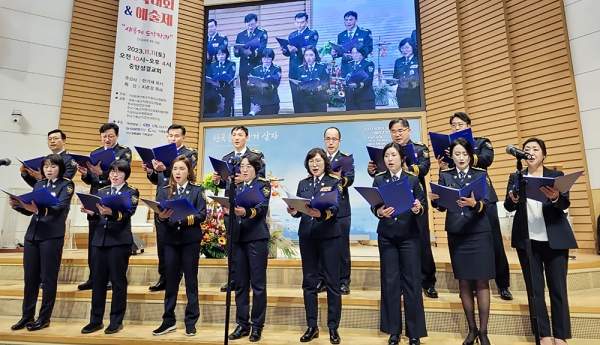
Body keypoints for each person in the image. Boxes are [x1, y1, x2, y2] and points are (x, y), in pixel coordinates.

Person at [504, 137, 577, 345]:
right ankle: (544, 334)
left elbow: (563, 204)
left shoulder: (556, 176)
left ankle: (560, 335)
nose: (531, 152)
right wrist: (514, 199)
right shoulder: (516, 176)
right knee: (535, 290)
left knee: (558, 288)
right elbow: (509, 206)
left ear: (544, 154)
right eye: (527, 149)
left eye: (535, 149)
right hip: (527, 241)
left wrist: (555, 197)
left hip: (554, 238)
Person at [437, 112, 512, 300]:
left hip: (482, 197)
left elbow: (487, 160)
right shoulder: (449, 147)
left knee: (494, 243)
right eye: (453, 125)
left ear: (469, 125)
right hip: (459, 200)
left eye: (460, 124)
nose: (456, 128)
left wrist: (469, 153)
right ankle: (469, 282)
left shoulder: (481, 142)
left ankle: (503, 285)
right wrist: (443, 165)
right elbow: (449, 172)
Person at [428, 138, 494, 345]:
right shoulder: (446, 175)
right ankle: (471, 330)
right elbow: (441, 206)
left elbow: (489, 202)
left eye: (464, 154)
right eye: (457, 154)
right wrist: (435, 200)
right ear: (452, 156)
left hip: (479, 232)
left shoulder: (480, 174)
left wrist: (476, 204)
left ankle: (483, 332)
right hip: (457, 233)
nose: (461, 158)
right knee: (464, 282)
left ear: (470, 155)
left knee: (482, 282)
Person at [368, 118, 438, 298]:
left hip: (414, 201)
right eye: (393, 131)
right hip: (392, 204)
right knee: (394, 242)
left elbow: (424, 168)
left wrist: (407, 167)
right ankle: (398, 282)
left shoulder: (420, 148)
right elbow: (381, 176)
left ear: (408, 131)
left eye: (400, 130)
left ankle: (428, 281)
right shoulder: (389, 151)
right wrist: (372, 170)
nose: (397, 134)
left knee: (421, 242)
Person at [9, 154, 74, 332]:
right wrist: (18, 206)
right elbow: (31, 212)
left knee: (47, 279)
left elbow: (59, 207)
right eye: (46, 166)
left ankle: (44, 317)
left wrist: (36, 208)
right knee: (30, 278)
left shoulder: (66, 185)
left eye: (52, 166)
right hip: (32, 236)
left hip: (51, 236)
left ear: (59, 168)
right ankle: (27, 315)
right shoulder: (39, 184)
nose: (49, 169)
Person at [287, 148, 343, 344]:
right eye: (311, 161)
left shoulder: (334, 182)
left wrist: (322, 215)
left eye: (318, 161)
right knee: (309, 283)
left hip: (328, 236)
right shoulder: (303, 183)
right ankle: (312, 326)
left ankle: (333, 327)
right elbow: (301, 209)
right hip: (307, 237)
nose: (314, 164)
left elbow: (337, 209)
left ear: (324, 162)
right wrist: (293, 211)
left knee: (332, 284)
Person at [373, 143, 427, 345]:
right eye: (386, 155)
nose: (389, 159)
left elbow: (422, 205)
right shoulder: (379, 179)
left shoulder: (412, 179)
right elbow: (375, 206)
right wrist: (379, 212)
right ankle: (393, 330)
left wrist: (417, 208)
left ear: (402, 158)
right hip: (387, 236)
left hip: (408, 236)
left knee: (412, 283)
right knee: (390, 282)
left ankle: (414, 332)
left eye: (393, 155)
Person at [80, 160, 139, 335]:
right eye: (112, 171)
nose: (114, 175)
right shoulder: (102, 191)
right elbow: (97, 216)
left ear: (125, 175)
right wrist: (92, 213)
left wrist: (111, 213)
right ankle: (95, 320)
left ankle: (116, 320)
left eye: (119, 172)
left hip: (119, 242)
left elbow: (129, 213)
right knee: (98, 281)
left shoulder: (131, 191)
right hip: (99, 241)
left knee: (118, 282)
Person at [152, 156, 207, 337]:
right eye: (175, 168)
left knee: (191, 281)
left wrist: (182, 219)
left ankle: (191, 321)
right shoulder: (165, 189)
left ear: (188, 171)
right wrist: (162, 216)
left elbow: (201, 215)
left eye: (182, 169)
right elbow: (160, 214)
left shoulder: (197, 190)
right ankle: (168, 320)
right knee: (171, 282)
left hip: (190, 240)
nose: (177, 172)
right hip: (170, 240)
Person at [77, 123, 132, 291]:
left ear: (117, 136)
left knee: (112, 243)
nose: (107, 139)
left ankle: (110, 278)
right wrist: (86, 174)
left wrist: (102, 173)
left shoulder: (124, 152)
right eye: (104, 136)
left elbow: (121, 173)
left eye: (110, 136)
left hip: (113, 199)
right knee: (95, 241)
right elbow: (91, 181)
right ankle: (94, 277)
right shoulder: (95, 152)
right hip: (96, 198)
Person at [144, 124, 198, 292]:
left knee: (180, 240)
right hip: (163, 197)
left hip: (179, 200)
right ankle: (164, 276)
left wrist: (165, 168)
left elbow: (183, 172)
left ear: (183, 137)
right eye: (170, 135)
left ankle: (177, 275)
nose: (173, 138)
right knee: (162, 240)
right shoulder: (160, 154)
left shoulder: (190, 154)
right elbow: (158, 180)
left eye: (176, 135)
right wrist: (151, 171)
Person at [213, 125, 266, 292]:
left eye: (240, 135)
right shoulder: (227, 157)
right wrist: (218, 181)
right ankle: (234, 279)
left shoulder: (256, 156)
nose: (236, 138)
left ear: (247, 137)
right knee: (233, 246)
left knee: (249, 247)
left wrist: (242, 178)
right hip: (231, 207)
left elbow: (260, 178)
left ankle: (249, 279)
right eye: (234, 135)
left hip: (249, 205)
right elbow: (225, 183)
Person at [225, 155, 271, 342]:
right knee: (241, 283)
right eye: (241, 166)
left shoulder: (262, 185)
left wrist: (245, 212)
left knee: (258, 285)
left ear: (256, 168)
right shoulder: (236, 186)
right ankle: (242, 323)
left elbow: (262, 207)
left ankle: (257, 325)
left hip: (256, 238)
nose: (243, 170)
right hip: (238, 238)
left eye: (248, 166)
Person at [316, 127, 354, 295]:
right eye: (328, 139)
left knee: (342, 247)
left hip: (341, 209)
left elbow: (350, 179)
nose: (331, 142)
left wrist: (338, 178)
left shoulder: (345, 159)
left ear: (339, 141)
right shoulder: (318, 158)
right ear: (324, 140)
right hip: (322, 209)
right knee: (321, 246)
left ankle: (344, 280)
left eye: (334, 139)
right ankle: (322, 279)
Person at [280, 12, 319, 113]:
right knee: (295, 97)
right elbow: (290, 54)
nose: (299, 25)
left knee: (306, 98)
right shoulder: (292, 34)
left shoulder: (312, 33)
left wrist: (296, 50)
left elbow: (311, 49)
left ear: (306, 22)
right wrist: (285, 50)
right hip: (293, 69)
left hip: (305, 68)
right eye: (297, 22)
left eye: (302, 22)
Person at [234, 13, 268, 116]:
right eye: (248, 25)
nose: (250, 27)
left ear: (256, 23)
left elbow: (262, 49)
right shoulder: (240, 35)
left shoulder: (262, 33)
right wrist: (236, 52)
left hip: (256, 67)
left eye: (252, 24)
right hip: (244, 68)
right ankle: (245, 116)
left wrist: (252, 53)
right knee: (245, 94)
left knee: (257, 93)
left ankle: (258, 116)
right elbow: (237, 52)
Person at [331, 11, 373, 77]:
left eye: (351, 20)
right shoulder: (341, 35)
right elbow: (341, 51)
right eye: (346, 20)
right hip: (346, 66)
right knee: (345, 85)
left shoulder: (365, 33)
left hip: (360, 65)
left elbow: (369, 48)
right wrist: (335, 53)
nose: (348, 22)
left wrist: (355, 54)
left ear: (356, 20)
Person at [248, 48, 282, 115]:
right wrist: (250, 85)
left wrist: (268, 85)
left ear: (272, 58)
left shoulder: (276, 69)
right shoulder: (256, 69)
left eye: (269, 58)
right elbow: (253, 87)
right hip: (258, 102)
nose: (266, 60)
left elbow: (276, 84)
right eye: (264, 58)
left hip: (271, 102)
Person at [297, 46, 330, 113]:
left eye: (311, 55)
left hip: (320, 100)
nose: (308, 58)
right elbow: (299, 85)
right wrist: (301, 88)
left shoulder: (322, 67)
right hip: (306, 101)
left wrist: (318, 88)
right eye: (306, 55)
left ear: (315, 56)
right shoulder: (300, 68)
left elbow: (327, 83)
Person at [207, 45, 237, 117]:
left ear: (226, 55)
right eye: (218, 54)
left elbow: (230, 78)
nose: (220, 56)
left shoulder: (231, 64)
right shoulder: (212, 65)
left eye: (223, 54)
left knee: (225, 115)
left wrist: (220, 84)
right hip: (214, 92)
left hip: (226, 90)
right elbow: (208, 76)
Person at [344, 44, 375, 111]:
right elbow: (347, 76)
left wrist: (357, 85)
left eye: (357, 53)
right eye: (353, 53)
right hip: (351, 98)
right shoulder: (350, 64)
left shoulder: (368, 64)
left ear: (362, 53)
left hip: (365, 98)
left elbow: (368, 79)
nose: (355, 55)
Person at [393, 38, 420, 108]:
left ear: (413, 47)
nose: (404, 50)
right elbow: (396, 77)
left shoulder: (418, 59)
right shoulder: (398, 61)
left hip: (415, 94)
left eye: (407, 47)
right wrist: (390, 81)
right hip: (402, 95)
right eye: (402, 48)